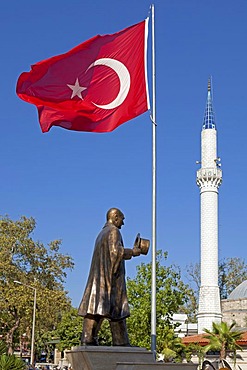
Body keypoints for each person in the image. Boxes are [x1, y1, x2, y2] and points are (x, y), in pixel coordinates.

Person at [78, 208, 142, 346]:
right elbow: (115, 253)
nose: (123, 223)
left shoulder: (101, 234)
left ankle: (87, 339)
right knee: (117, 310)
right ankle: (121, 343)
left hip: (99, 278)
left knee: (95, 310)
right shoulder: (114, 231)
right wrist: (134, 252)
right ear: (116, 217)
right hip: (110, 280)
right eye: (122, 219)